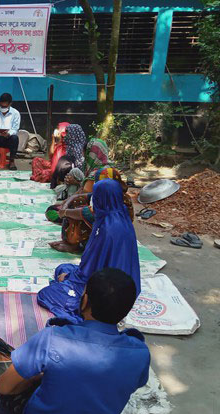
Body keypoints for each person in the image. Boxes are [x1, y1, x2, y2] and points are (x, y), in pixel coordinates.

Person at [0, 268, 150, 414]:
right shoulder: (140, 352)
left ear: (84, 301)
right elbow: (131, 383)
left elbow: (4, 387)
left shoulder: (53, 338)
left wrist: (38, 377)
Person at [38, 179, 141, 322]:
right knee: (62, 268)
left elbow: (93, 269)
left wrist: (69, 279)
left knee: (46, 294)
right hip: (122, 283)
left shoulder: (107, 229)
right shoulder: (118, 214)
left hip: (108, 291)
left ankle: (82, 315)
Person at [49, 167, 134, 254]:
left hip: (111, 241)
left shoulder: (115, 199)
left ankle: (74, 245)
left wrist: (65, 212)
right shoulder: (110, 192)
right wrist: (67, 203)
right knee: (75, 204)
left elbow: (87, 213)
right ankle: (69, 241)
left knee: (76, 213)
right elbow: (83, 196)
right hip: (108, 235)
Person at [50, 123, 87, 189]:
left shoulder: (85, 150)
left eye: (68, 133)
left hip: (81, 183)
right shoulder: (67, 148)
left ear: (72, 135)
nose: (66, 136)